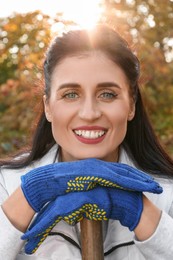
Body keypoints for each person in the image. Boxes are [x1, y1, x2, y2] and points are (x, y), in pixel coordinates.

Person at [0, 24, 173, 260]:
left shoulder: (167, 194)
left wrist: (140, 213)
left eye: (107, 94)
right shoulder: (5, 185)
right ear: (48, 107)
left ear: (131, 105)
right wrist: (27, 198)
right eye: (71, 94)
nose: (89, 113)